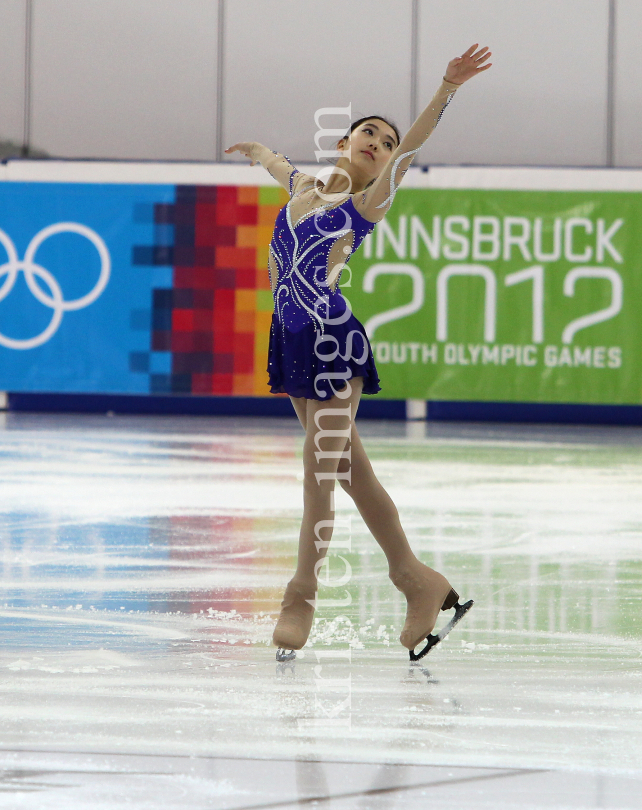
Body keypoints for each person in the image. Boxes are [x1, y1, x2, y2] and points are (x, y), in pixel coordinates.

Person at [225, 44, 492, 661]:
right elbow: (279, 165)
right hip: (291, 342)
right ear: (344, 143)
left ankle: (301, 596)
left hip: (332, 343)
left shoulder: (365, 205)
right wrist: (259, 151)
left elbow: (416, 141)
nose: (377, 141)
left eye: (387, 142)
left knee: (318, 474)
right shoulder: (305, 184)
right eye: (367, 132)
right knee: (351, 472)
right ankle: (418, 583)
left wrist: (446, 88)